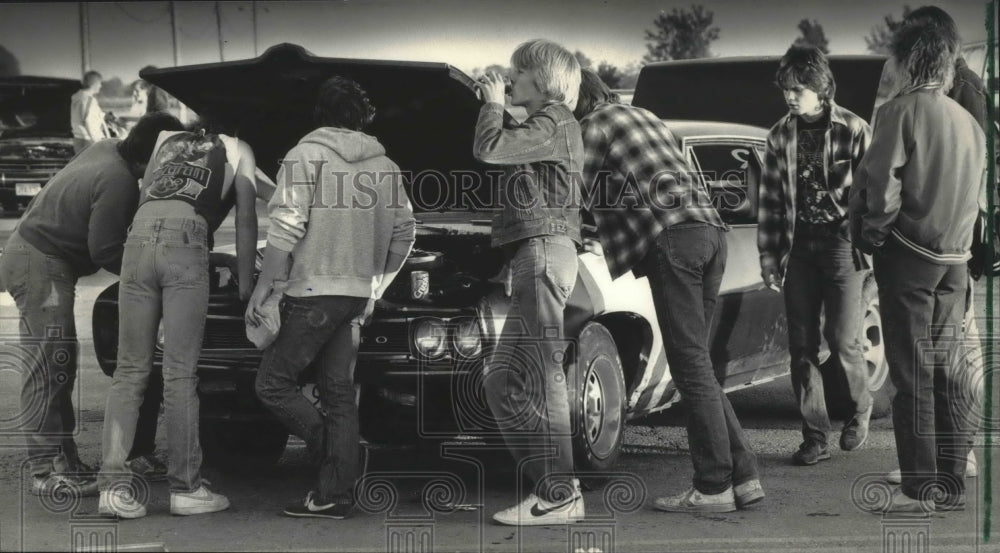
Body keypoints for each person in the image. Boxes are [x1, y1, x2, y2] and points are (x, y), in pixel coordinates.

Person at [575, 69, 762, 513]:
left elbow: (571, 191)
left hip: (673, 241)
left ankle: (713, 487)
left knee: (689, 364)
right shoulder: (645, 115)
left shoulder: (592, 126)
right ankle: (745, 476)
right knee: (698, 363)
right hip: (711, 235)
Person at [249, 76, 415, 520]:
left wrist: (263, 287)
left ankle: (340, 458)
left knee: (272, 384)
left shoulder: (305, 156)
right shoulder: (387, 167)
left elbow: (286, 226)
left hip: (313, 293)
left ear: (319, 114)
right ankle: (333, 493)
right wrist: (377, 284)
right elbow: (405, 233)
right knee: (339, 392)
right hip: (357, 295)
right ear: (363, 117)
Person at [0, 112, 184, 498]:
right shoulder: (118, 181)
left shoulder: (106, 148)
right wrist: (152, 280)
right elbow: (104, 249)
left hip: (36, 256)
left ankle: (63, 459)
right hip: (41, 264)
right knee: (49, 365)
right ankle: (45, 469)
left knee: (59, 363)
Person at [849, 20, 985, 515]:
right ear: (947, 65)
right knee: (946, 372)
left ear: (907, 62)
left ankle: (917, 491)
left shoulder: (897, 112)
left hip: (910, 256)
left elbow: (883, 185)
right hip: (956, 261)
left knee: (911, 377)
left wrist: (873, 236)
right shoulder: (967, 120)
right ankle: (949, 485)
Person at [98, 119, 259, 519]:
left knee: (130, 371)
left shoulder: (166, 141)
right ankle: (185, 488)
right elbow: (245, 216)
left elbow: (146, 199)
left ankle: (113, 490)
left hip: (138, 241)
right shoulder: (239, 148)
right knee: (180, 373)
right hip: (186, 241)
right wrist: (244, 283)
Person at [472, 39, 585, 526]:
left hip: (543, 252)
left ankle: (560, 493)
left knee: (543, 376)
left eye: (516, 73)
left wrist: (494, 106)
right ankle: (555, 490)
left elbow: (488, 148)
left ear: (541, 80)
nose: (509, 79)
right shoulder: (544, 128)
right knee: (501, 380)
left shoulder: (555, 120)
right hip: (534, 254)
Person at [757, 46, 873, 467]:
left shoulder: (855, 129)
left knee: (844, 341)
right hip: (797, 246)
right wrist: (769, 257)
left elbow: (873, 192)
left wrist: (862, 233)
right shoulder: (778, 135)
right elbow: (769, 201)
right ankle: (814, 435)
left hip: (842, 244)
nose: (791, 96)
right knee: (801, 346)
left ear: (821, 88)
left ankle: (860, 409)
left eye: (799, 88)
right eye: (786, 88)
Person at [70, 70, 108, 154]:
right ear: (94, 84)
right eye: (100, 83)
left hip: (78, 138)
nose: (100, 86)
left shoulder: (77, 98)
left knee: (81, 164)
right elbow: (89, 121)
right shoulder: (89, 100)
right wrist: (96, 141)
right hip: (88, 139)